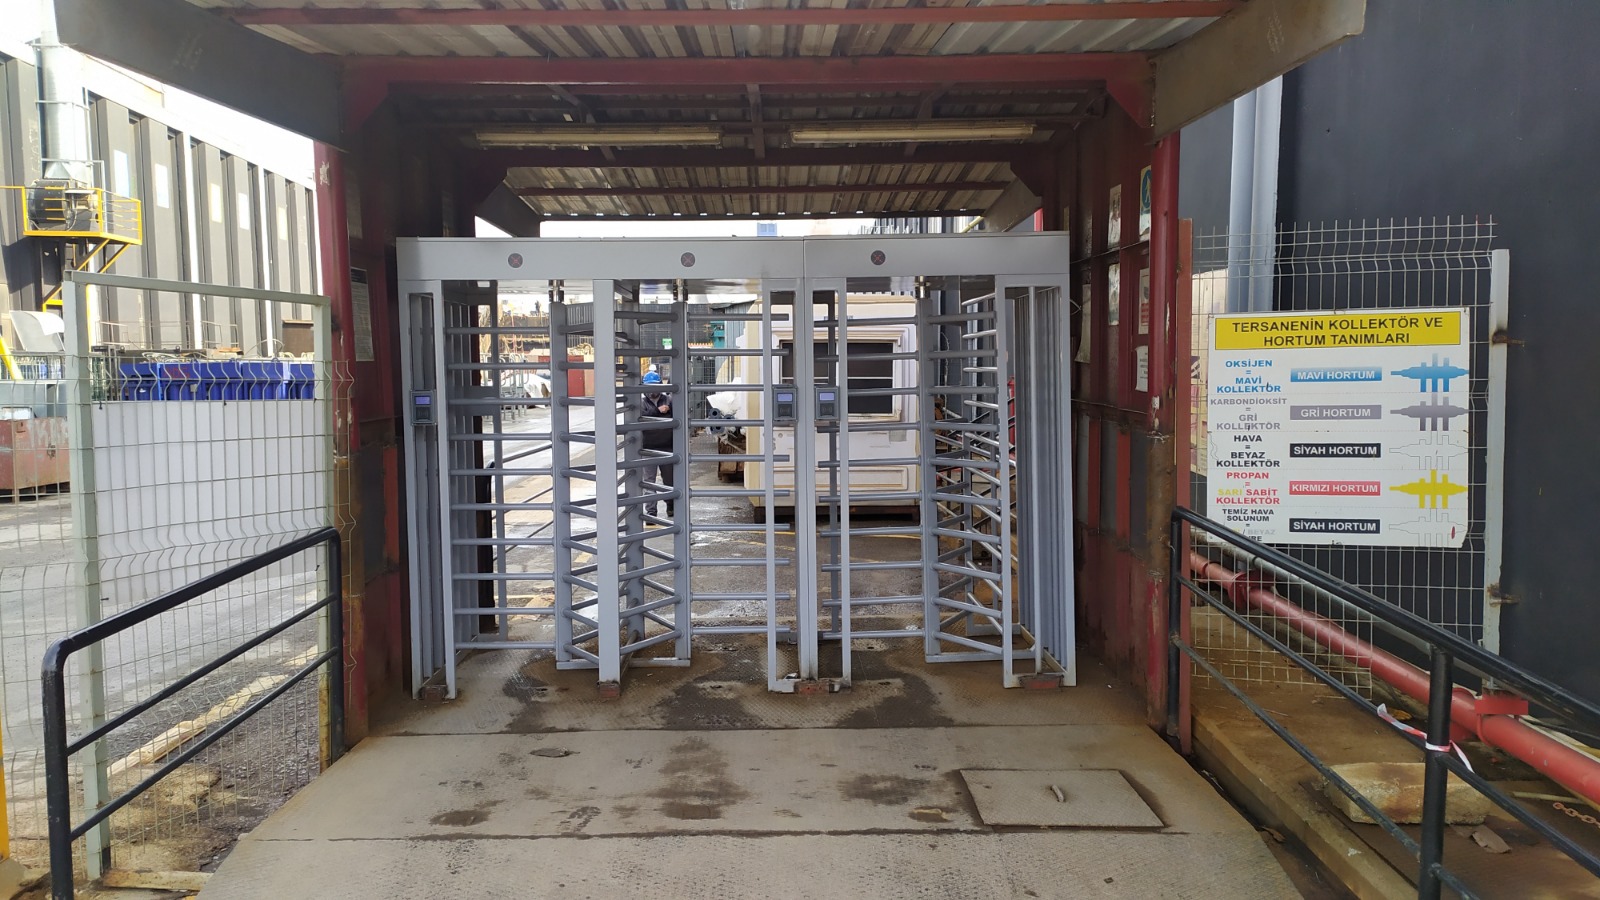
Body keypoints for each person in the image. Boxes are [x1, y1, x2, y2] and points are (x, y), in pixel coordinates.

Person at [640, 371, 675, 517]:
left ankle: (671, 507)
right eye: (649, 386)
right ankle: (651, 512)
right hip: (648, 448)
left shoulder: (669, 400)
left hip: (667, 446)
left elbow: (678, 418)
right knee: (649, 482)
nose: (652, 390)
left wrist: (668, 410)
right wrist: (657, 411)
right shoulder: (640, 404)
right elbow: (640, 419)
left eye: (655, 386)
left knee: (670, 481)